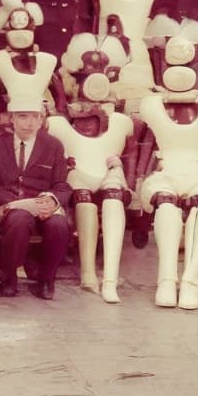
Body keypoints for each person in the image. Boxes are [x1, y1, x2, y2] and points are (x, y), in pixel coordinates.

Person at [138, 17, 198, 310]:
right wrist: (138, 178)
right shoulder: (150, 105)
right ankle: (166, 278)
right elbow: (145, 144)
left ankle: (190, 279)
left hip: (197, 173)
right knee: (166, 203)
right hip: (164, 172)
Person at [47, 34, 135, 303]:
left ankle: (110, 277)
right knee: (83, 197)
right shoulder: (63, 117)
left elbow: (129, 152)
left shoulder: (119, 119)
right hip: (78, 170)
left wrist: (122, 171)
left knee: (113, 197)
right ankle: (87, 273)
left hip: (107, 168)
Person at [0, 97, 71, 300]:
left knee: (59, 224)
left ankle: (47, 280)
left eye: (35, 117)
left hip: (42, 205)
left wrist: (52, 200)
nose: (29, 123)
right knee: (19, 218)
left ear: (41, 120)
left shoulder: (53, 146)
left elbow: (61, 185)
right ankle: (9, 277)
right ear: (12, 119)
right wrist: (15, 203)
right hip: (7, 208)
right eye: (22, 117)